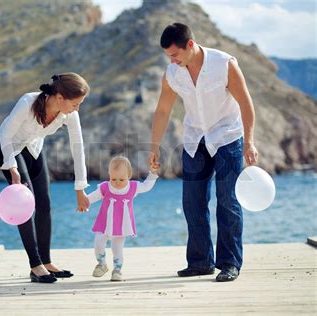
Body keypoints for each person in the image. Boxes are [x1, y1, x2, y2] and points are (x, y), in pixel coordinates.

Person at [148, 23, 259, 282]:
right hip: (194, 139)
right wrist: (154, 146)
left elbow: (245, 102)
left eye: (175, 54)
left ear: (190, 44)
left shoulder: (224, 64)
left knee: (228, 201)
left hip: (228, 137)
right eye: (168, 56)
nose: (172, 60)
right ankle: (200, 262)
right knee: (193, 202)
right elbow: (163, 110)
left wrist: (249, 141)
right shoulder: (172, 73)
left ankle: (230, 263)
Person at [0, 73, 91, 283]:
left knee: (45, 203)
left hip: (33, 147)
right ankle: (35, 265)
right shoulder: (27, 102)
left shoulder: (69, 115)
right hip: (9, 146)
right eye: (75, 103)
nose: (77, 108)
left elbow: (79, 149)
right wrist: (12, 168)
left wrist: (79, 188)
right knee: (25, 203)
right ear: (60, 98)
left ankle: (46, 261)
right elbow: (6, 135)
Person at [87, 156, 159, 281]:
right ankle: (102, 264)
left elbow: (147, 186)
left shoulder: (132, 187)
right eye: (113, 178)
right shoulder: (105, 187)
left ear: (129, 176)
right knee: (98, 243)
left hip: (122, 225)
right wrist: (84, 202)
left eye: (122, 179)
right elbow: (92, 197)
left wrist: (152, 173)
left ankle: (117, 270)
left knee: (117, 248)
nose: (117, 182)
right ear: (109, 174)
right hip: (104, 223)